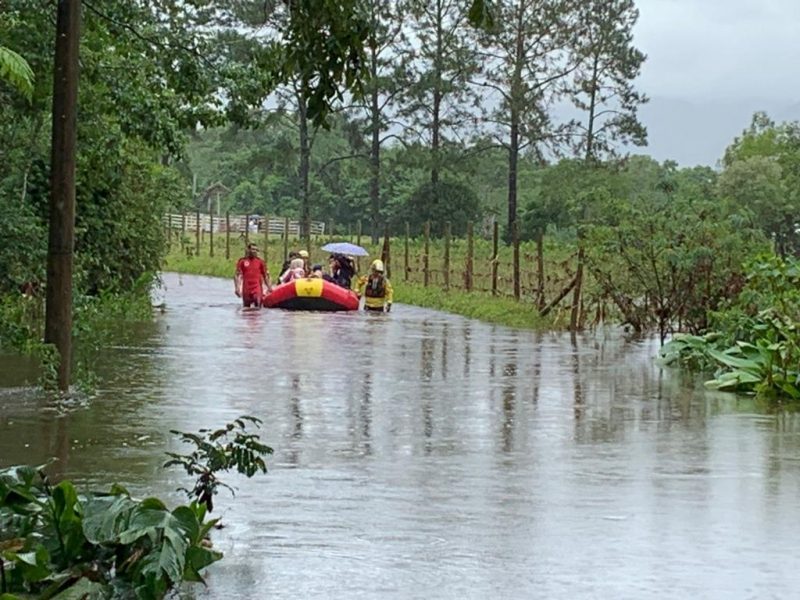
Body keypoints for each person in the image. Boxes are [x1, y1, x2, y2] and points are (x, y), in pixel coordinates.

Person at [234, 243, 271, 307]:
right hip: (246, 288)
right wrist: (237, 288)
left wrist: (269, 287)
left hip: (257, 288)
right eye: (253, 249)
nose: (255, 251)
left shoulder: (260, 262)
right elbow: (237, 275)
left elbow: (266, 276)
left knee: (257, 304)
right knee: (246, 308)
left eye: (256, 250)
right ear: (248, 250)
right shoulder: (242, 261)